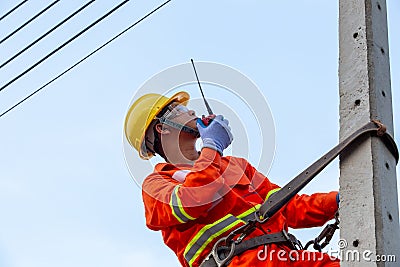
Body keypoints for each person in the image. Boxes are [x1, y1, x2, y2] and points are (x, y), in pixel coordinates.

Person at [124, 91, 340, 267]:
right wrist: (211, 147)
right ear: (162, 128)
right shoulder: (157, 184)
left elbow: (287, 206)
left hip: (286, 258)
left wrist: (339, 201)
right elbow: (195, 199)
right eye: (179, 109)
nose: (190, 110)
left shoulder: (234, 165)